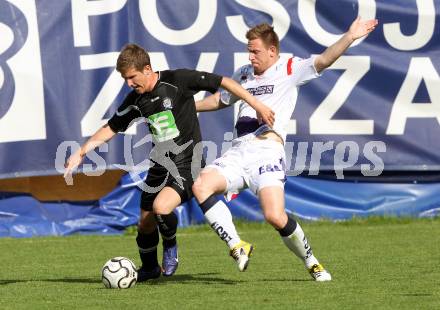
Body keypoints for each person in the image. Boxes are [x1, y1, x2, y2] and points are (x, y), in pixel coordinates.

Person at [64, 43, 274, 282]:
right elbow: (111, 127)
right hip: (160, 165)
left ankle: (171, 247)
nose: (129, 83)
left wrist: (257, 104)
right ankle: (150, 268)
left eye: (132, 77)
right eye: (125, 79)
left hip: (189, 162)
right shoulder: (135, 100)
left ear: (147, 69)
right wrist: (81, 153)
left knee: (162, 207)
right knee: (145, 223)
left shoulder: (178, 80)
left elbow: (224, 82)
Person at [193, 17, 378, 281]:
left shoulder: (290, 67)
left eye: (255, 51)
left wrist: (350, 35)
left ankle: (312, 261)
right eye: (249, 50)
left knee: (274, 215)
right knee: (201, 185)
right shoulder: (244, 73)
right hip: (237, 151)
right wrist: (188, 106)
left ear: (272, 51)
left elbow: (324, 60)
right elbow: (220, 100)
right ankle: (237, 245)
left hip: (267, 151)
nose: (250, 56)